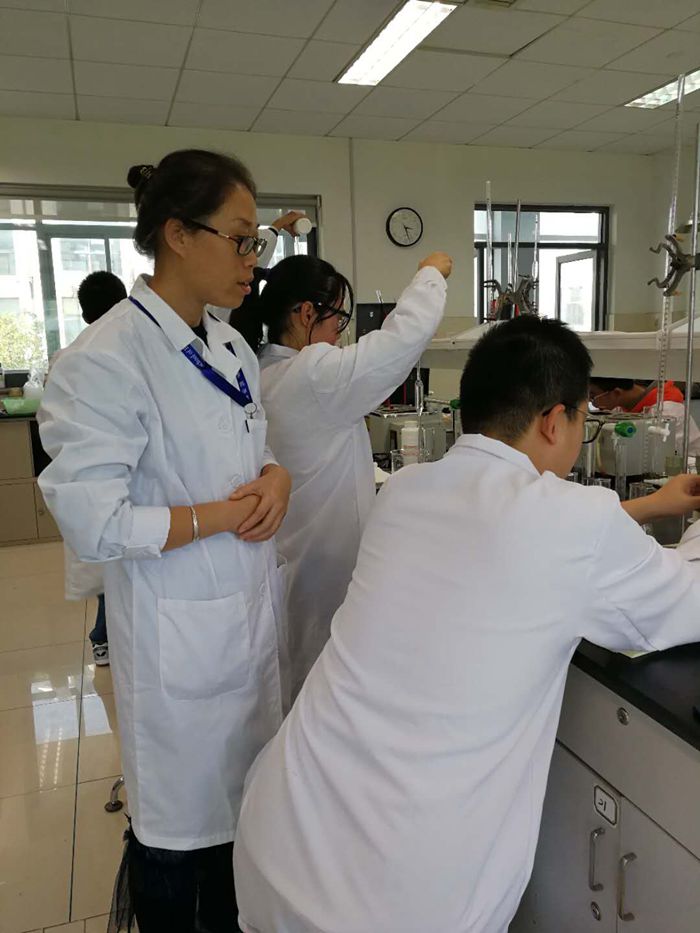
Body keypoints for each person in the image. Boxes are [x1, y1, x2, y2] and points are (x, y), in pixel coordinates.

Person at [233, 315, 700, 933]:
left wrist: (646, 507)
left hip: (280, 838)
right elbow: (685, 603)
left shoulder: (406, 490)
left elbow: (518, 531)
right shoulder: (573, 522)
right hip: (389, 900)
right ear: (554, 421)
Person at [38, 148, 291, 933]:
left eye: (257, 243)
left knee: (243, 834)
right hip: (177, 654)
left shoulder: (230, 346)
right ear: (179, 234)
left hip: (246, 635)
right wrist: (222, 515)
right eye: (242, 239)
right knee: (181, 847)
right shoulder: (103, 359)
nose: (254, 260)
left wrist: (276, 475)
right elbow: (96, 521)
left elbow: (252, 451)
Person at [230, 250, 451, 699]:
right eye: (339, 318)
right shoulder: (312, 374)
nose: (340, 332)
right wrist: (431, 274)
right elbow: (399, 342)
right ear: (306, 313)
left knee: (298, 687)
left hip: (289, 562)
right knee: (324, 687)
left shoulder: (259, 372)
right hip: (323, 572)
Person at [65, 271, 129, 666]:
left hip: (91, 490)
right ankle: (105, 636)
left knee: (110, 564)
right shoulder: (122, 353)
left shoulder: (69, 357)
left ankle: (102, 638)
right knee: (118, 559)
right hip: (120, 490)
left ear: (85, 314)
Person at [588, 376, 700, 457]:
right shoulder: (620, 408)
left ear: (617, 393)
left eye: (593, 395)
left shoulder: (665, 411)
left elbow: (658, 455)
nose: (590, 400)